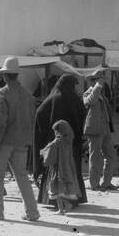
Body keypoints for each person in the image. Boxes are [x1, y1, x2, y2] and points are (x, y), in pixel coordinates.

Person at [0, 57, 41, 222]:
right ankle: (32, 212)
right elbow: (31, 120)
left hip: (4, 141)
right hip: (22, 141)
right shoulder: (28, 95)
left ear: (5, 76)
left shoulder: (3, 93)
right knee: (21, 176)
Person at [34, 74, 88, 206]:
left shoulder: (53, 98)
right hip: (73, 144)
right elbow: (82, 118)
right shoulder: (75, 99)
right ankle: (73, 199)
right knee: (71, 170)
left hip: (56, 144)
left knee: (57, 171)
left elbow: (40, 114)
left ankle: (54, 201)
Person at [83, 73, 119, 192]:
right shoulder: (88, 93)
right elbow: (91, 101)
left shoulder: (102, 94)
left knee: (111, 155)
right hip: (94, 129)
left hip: (105, 128)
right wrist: (97, 87)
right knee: (95, 157)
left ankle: (106, 182)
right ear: (93, 81)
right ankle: (94, 183)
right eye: (99, 80)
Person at [41, 119, 84, 214]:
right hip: (67, 167)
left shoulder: (58, 140)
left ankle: (63, 207)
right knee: (62, 190)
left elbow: (49, 149)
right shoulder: (69, 139)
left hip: (58, 168)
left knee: (56, 188)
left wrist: (43, 151)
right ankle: (63, 207)